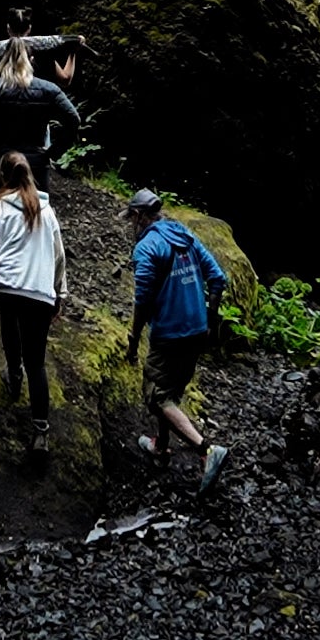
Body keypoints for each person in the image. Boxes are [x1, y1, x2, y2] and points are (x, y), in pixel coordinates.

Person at [123, 189, 232, 493]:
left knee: (157, 397)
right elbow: (217, 278)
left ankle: (206, 449)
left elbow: (142, 300)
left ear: (137, 216)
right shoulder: (184, 235)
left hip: (170, 334)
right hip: (197, 329)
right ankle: (160, 448)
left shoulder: (147, 247)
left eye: (131, 219)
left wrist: (134, 339)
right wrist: (209, 319)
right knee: (170, 391)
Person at [0, 150, 65, 429]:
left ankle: (14, 374)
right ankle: (40, 429)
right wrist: (59, 294)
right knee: (38, 363)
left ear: (3, 176)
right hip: (39, 294)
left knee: (9, 316)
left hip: (3, 288)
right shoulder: (48, 212)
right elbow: (59, 256)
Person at [0, 39, 84, 193]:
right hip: (36, 161)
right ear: (31, 60)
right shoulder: (49, 89)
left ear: (4, 60)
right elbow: (73, 119)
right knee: (34, 211)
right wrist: (53, 153)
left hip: (0, 160)